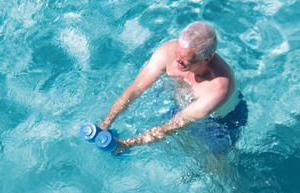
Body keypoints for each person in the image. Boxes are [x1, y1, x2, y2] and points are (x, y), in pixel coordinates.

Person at [98, 21, 247, 153]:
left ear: (206, 59)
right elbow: (135, 89)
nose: (177, 61)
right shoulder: (168, 52)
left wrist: (128, 144)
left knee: (213, 166)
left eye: (187, 60)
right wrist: (106, 122)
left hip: (221, 121)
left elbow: (178, 123)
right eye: (178, 54)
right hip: (183, 105)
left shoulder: (218, 86)